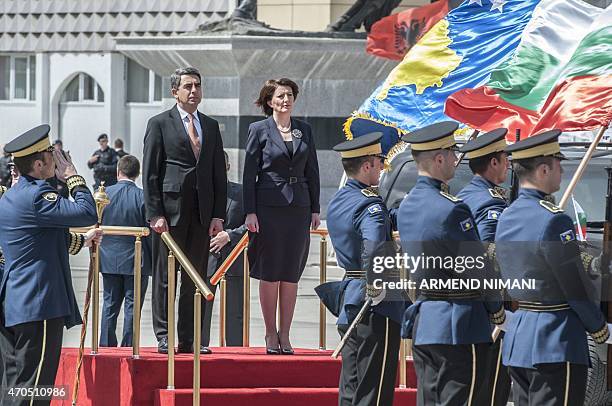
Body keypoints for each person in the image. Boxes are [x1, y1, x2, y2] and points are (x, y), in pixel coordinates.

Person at [495, 130, 610, 406]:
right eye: (558, 164)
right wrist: (597, 327)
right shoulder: (554, 221)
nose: (561, 171)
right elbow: (573, 284)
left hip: (520, 337)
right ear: (543, 169)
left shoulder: (506, 217)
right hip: (556, 340)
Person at [397, 122, 505, 406]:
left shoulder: (407, 205)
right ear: (439, 158)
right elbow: (477, 265)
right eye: (452, 153)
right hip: (459, 321)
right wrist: (496, 308)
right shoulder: (452, 208)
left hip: (425, 318)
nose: (457, 160)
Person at [0, 124, 102, 406]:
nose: (55, 159)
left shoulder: (10, 196)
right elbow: (86, 212)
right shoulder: (37, 196)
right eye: (49, 155)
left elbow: (40, 236)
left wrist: (82, 241)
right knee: (35, 390)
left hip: (14, 304)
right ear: (38, 164)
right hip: (39, 304)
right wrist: (73, 178)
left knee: (14, 387)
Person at [318, 132, 407, 405]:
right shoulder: (371, 206)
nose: (382, 168)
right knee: (375, 388)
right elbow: (374, 248)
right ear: (367, 165)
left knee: (352, 384)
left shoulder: (340, 201)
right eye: (380, 162)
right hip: (375, 302)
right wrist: (377, 282)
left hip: (350, 296)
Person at [143, 66, 227, 355]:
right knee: (166, 277)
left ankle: (191, 338)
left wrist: (218, 214)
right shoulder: (159, 123)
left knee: (196, 277)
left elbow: (219, 175)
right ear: (174, 92)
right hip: (169, 214)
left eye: (197, 86)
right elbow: (150, 172)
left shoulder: (211, 126)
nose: (194, 91)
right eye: (188, 86)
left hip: (202, 215)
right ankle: (164, 335)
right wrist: (155, 213)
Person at [243, 78, 320, 355]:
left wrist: (315, 208)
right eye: (280, 96)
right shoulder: (259, 129)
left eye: (289, 95)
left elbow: (312, 170)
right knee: (270, 271)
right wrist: (250, 210)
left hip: (298, 207)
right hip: (268, 208)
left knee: (290, 273)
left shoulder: (304, 131)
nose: (285, 100)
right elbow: (249, 172)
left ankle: (285, 334)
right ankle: (269, 333)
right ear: (269, 101)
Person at [456, 128, 511, 406]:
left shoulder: (464, 194)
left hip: (462, 302)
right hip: (488, 304)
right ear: (493, 163)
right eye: (505, 159)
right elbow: (490, 255)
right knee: (490, 389)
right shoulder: (490, 201)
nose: (509, 165)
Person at [99, 155, 152, 347]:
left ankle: (105, 346)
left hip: (108, 258)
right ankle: (129, 346)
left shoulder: (104, 195)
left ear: (118, 171)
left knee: (109, 306)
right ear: (137, 174)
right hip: (137, 260)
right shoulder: (143, 197)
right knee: (132, 307)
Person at [203, 151, 247, 347]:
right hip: (205, 260)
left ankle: (235, 352)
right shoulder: (199, 194)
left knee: (235, 313)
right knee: (201, 311)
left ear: (228, 167)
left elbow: (252, 224)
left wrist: (229, 235)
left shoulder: (241, 193)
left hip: (234, 260)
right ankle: (199, 347)